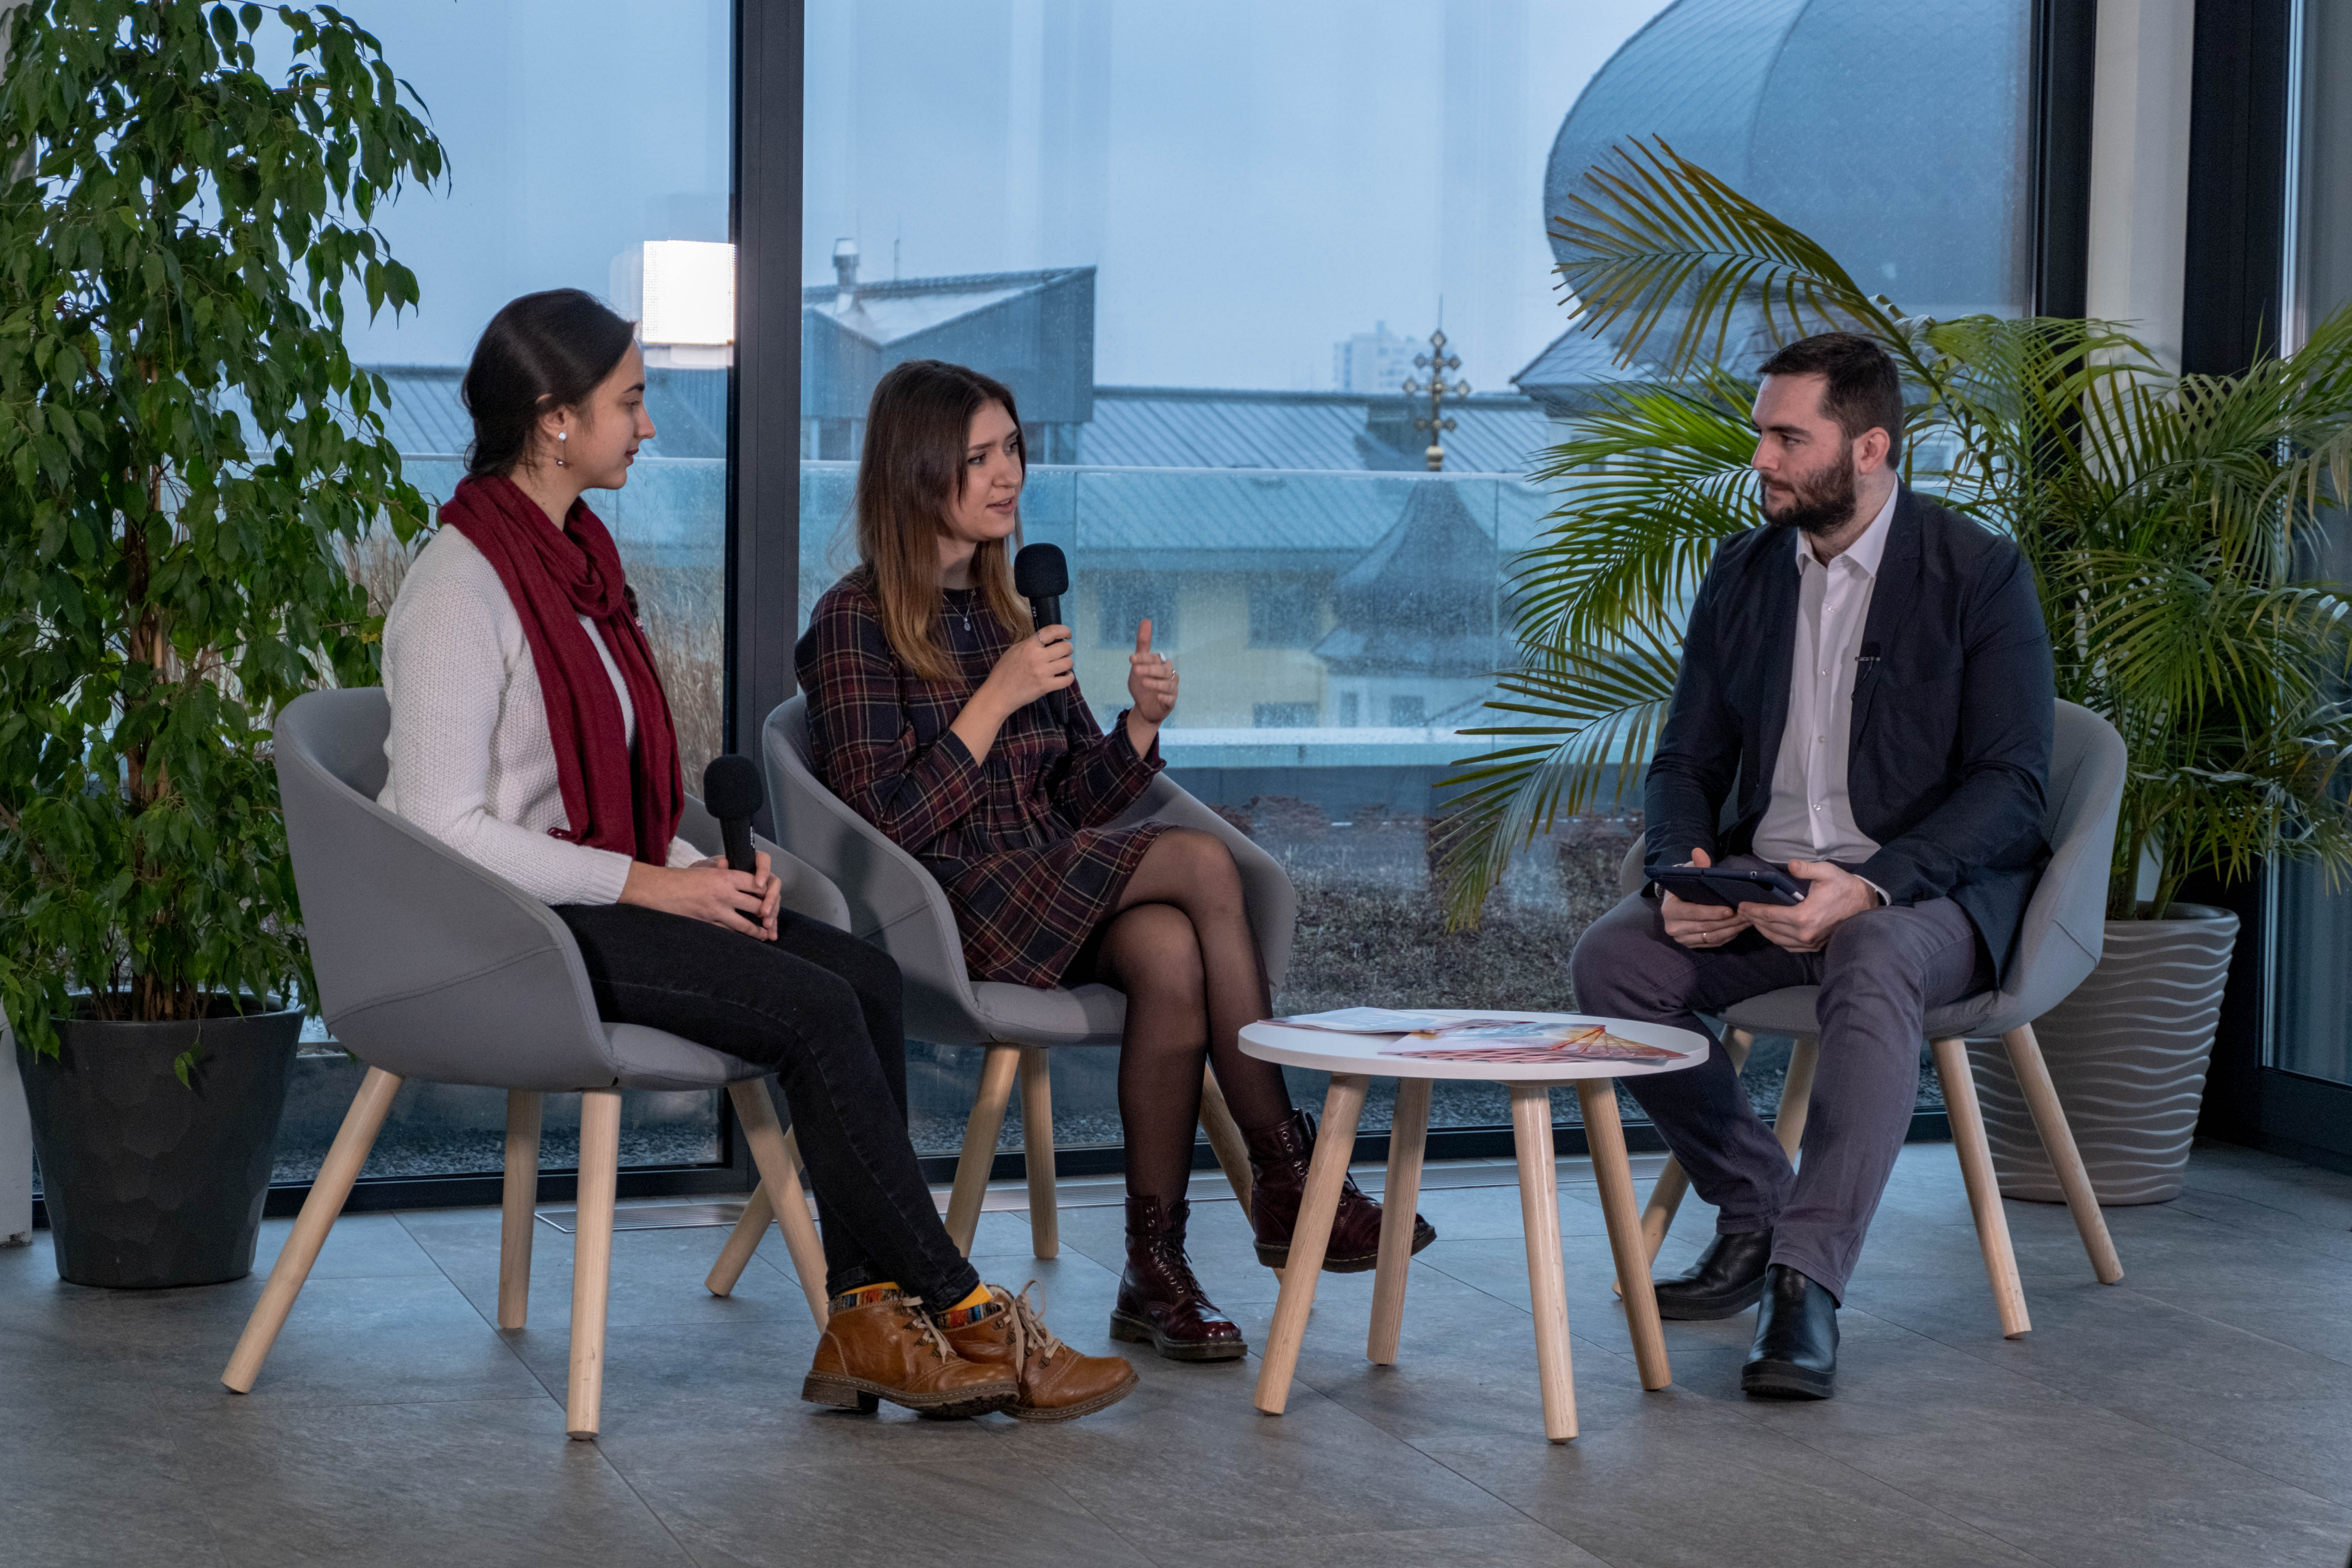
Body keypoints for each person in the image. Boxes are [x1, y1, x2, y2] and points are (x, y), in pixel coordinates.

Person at [378, 291, 1132, 1424]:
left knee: (863, 977)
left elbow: (596, 791)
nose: (648, 424)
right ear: (554, 420)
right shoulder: (459, 587)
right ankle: (966, 1306)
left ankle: (864, 1321)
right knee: (813, 1011)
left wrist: (698, 868)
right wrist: (655, 885)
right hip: (506, 934)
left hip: (589, 897)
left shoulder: (579, 569)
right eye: (630, 402)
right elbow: (445, 828)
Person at [798, 358, 1435, 1361]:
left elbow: (1066, 801)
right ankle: (1291, 1177)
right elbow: (888, 823)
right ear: (915, 471)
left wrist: (1137, 725)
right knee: (1203, 866)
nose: (1009, 475)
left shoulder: (1013, 610)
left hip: (1045, 882)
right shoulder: (855, 621)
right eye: (979, 457)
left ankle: (1154, 1268)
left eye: (1014, 448)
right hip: (947, 906)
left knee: (1171, 951)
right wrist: (996, 699)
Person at [1570, 332, 2054, 1401]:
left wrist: (1872, 885)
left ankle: (1806, 1282)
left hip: (1922, 896)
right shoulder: (1744, 573)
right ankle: (1757, 1208)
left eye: (1789, 438)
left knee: (1873, 953)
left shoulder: (1978, 572)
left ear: (1870, 448)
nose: (1763, 459)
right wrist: (1681, 870)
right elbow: (1687, 760)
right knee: (1615, 964)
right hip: (1769, 883)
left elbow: (2014, 784)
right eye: (1762, 435)